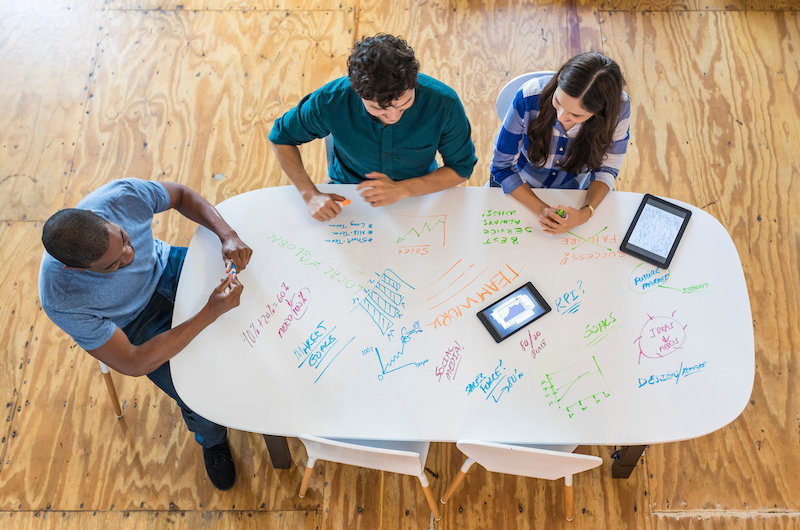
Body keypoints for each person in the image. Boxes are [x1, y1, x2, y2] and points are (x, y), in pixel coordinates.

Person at [38, 178, 252, 491]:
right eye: (113, 264)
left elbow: (180, 194)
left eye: (124, 238)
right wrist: (209, 313)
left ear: (106, 217)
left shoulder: (120, 197)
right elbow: (134, 362)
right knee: (192, 390)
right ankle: (213, 439)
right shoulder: (60, 297)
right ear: (74, 269)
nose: (130, 255)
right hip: (136, 323)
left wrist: (227, 233)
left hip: (170, 266)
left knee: (256, 304)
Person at [269, 33, 478, 222]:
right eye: (379, 110)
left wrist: (403, 189)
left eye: (404, 105)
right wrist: (309, 194)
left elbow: (461, 168)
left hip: (420, 190)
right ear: (357, 92)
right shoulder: (330, 101)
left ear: (413, 83)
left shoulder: (444, 103)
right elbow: (281, 138)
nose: (394, 117)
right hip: (348, 191)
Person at [490, 52, 631, 235]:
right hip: (519, 184)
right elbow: (502, 167)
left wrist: (585, 214)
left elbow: (607, 169)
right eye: (558, 101)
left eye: (576, 115)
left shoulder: (619, 110)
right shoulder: (528, 97)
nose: (561, 116)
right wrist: (542, 210)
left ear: (600, 113)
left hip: (573, 190)